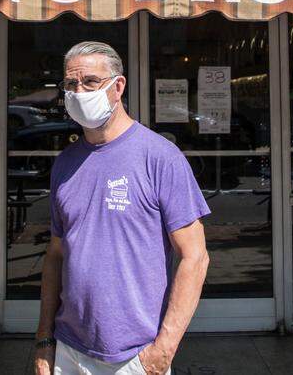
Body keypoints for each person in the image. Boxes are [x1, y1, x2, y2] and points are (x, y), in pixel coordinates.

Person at [33, 41, 210, 375]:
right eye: (71, 84)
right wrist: (45, 339)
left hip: (136, 358)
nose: (78, 91)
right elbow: (56, 255)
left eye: (89, 81)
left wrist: (163, 351)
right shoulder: (65, 164)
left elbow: (195, 257)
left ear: (118, 87)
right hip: (69, 350)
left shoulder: (160, 158)